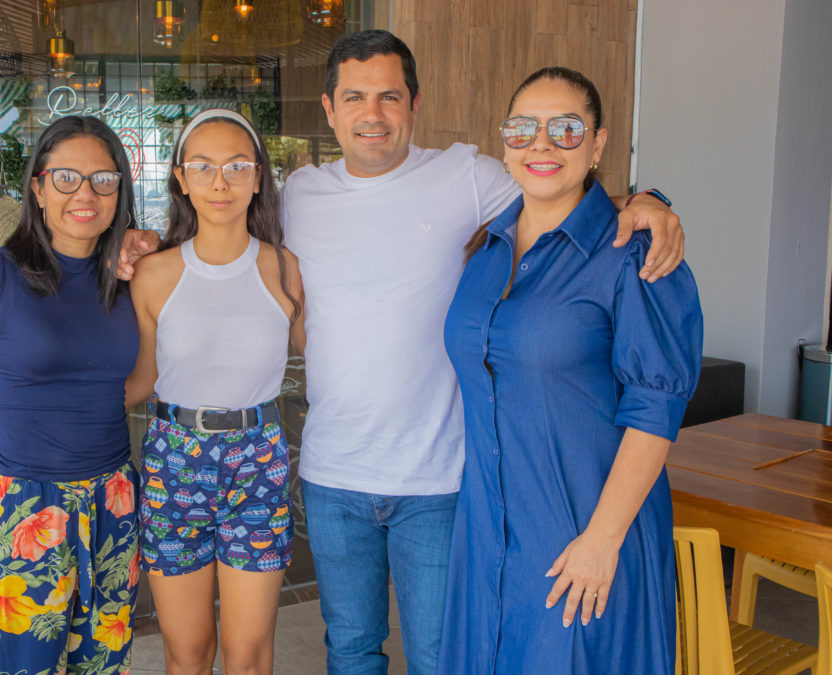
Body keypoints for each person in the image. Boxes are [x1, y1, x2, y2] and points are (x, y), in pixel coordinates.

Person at [279, 30, 687, 674]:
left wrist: (650, 202)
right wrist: (136, 246)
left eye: (390, 95)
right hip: (337, 472)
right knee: (351, 652)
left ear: (414, 103)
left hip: (442, 480)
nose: (373, 113)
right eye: (354, 97)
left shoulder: (468, 177)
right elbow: (222, 237)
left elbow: (565, 195)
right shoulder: (296, 196)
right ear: (328, 110)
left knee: (447, 658)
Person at [437, 67, 702, 673]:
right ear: (504, 140)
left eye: (566, 128)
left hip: (582, 540)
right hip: (488, 536)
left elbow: (655, 409)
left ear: (599, 143)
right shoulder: (484, 250)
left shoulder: (633, 252)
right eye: (524, 127)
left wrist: (602, 541)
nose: (542, 144)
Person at [0, 115, 145, 675]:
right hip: (22, 509)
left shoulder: (132, 277)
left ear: (120, 191)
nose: (84, 193)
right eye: (66, 177)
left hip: (113, 501)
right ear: (37, 188)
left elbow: (135, 384)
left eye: (102, 179)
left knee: (103, 667)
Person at [128, 109, 306, 675]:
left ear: (258, 177)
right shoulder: (153, 273)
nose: (220, 181)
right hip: (173, 461)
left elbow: (332, 361)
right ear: (181, 178)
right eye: (202, 167)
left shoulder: (285, 269)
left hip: (257, 459)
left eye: (236, 166)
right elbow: (136, 384)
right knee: (187, 652)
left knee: (248, 656)